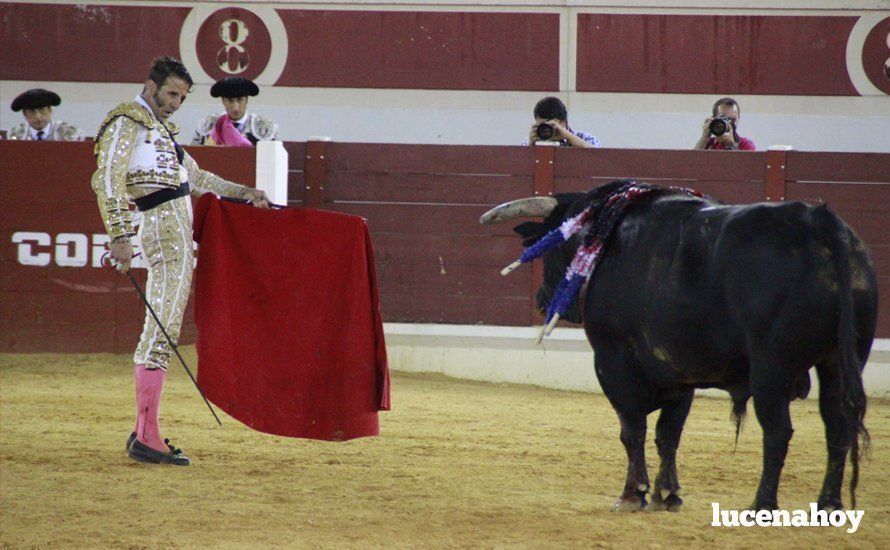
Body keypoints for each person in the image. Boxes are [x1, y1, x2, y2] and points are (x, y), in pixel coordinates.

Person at [91, 56, 270, 466]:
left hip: (174, 233)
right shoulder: (128, 120)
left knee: (162, 329)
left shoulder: (159, 131)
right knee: (161, 331)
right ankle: (147, 436)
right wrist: (119, 234)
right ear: (150, 86)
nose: (175, 103)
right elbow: (107, 178)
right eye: (171, 93)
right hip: (163, 232)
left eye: (182, 98)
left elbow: (199, 177)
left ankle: (144, 428)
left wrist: (244, 191)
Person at [191, 77, 279, 146]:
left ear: (246, 100)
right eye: (230, 100)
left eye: (240, 100)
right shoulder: (209, 125)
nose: (235, 107)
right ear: (223, 101)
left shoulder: (263, 128)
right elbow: (194, 159)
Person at [7, 88, 84, 141]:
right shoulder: (16, 135)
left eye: (42, 110)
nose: (37, 116)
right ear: (25, 114)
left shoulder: (68, 134)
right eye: (31, 111)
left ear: (50, 110)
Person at [522, 96, 600, 148]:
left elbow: (599, 156)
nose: (546, 130)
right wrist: (531, 145)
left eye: (551, 125)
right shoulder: (530, 141)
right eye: (542, 125)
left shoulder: (585, 138)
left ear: (563, 122)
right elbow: (518, 165)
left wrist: (568, 136)